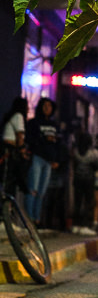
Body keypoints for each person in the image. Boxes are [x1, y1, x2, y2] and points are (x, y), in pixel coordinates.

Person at [25, 97, 61, 225]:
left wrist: (56, 159)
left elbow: (59, 143)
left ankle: (37, 219)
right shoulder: (34, 123)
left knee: (42, 191)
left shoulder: (54, 125)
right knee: (32, 189)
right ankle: (28, 218)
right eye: (45, 105)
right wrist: (45, 139)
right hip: (37, 157)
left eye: (50, 106)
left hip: (49, 161)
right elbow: (29, 139)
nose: (47, 108)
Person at [71, 132, 98, 236]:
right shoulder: (93, 153)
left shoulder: (75, 152)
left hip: (77, 179)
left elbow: (74, 165)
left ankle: (75, 225)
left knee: (77, 203)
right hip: (89, 180)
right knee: (88, 203)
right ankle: (85, 225)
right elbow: (97, 167)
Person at [2, 96, 29, 196]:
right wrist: (22, 152)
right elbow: (19, 137)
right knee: (8, 180)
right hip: (9, 151)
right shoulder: (18, 116)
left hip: (7, 150)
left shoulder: (12, 116)